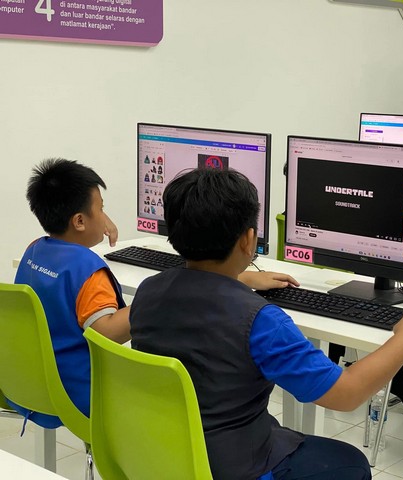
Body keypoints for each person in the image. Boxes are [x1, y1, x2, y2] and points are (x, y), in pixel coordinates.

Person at [129, 168, 403, 480]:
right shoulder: (260, 320)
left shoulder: (149, 291)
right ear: (248, 239)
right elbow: (345, 394)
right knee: (351, 463)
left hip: (160, 453)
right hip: (231, 467)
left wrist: (239, 279)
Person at [11, 158, 296, 429]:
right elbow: (105, 333)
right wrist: (160, 296)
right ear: (79, 221)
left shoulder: (35, 249)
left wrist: (235, 277)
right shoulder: (88, 270)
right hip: (80, 392)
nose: (105, 215)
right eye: (101, 208)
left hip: (33, 382)